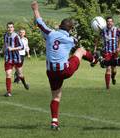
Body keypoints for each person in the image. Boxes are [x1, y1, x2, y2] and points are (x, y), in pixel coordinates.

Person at [31, 1, 99, 130]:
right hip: (64, 71)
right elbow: (75, 44)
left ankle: (54, 121)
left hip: (51, 72)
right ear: (70, 29)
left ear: (59, 26)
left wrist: (35, 9)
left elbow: (40, 23)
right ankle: (94, 60)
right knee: (81, 50)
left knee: (56, 96)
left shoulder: (50, 33)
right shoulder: (71, 40)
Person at [93, 16, 120, 89]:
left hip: (114, 52)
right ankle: (107, 87)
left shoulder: (117, 30)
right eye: (108, 21)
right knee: (108, 68)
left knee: (114, 69)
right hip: (106, 52)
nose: (109, 23)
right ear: (106, 23)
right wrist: (95, 49)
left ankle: (113, 77)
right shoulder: (103, 30)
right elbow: (97, 39)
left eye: (110, 21)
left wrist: (119, 47)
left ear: (113, 22)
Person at [3, 22, 29, 97]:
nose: (10, 28)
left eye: (11, 27)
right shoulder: (5, 35)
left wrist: (13, 48)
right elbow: (5, 44)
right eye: (8, 27)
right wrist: (3, 50)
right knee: (8, 74)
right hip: (8, 58)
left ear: (13, 28)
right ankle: (8, 92)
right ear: (7, 28)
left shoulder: (16, 36)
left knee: (20, 74)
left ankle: (24, 83)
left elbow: (22, 47)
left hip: (16, 58)